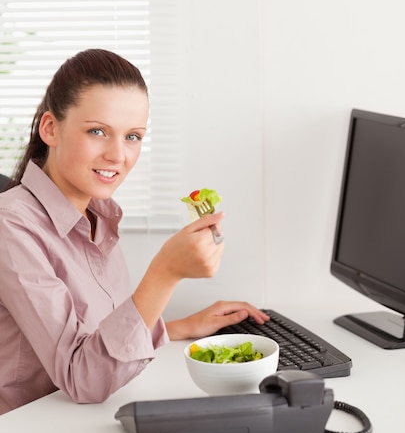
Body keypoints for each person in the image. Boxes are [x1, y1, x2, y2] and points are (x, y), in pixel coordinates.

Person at [0, 48, 268, 414]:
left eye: (133, 137)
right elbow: (83, 377)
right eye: (98, 131)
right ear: (51, 128)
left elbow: (94, 338)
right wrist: (166, 273)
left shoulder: (97, 214)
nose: (118, 155)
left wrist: (178, 327)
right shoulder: (11, 225)